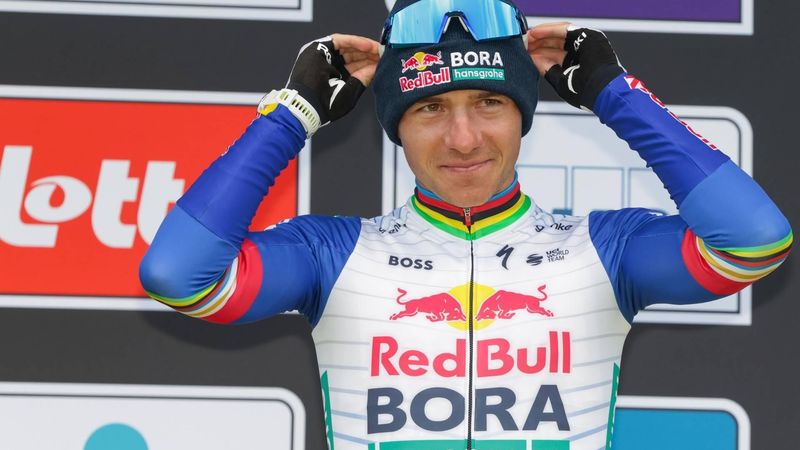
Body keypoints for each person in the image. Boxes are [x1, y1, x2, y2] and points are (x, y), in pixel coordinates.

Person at [139, 0, 792, 448]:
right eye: (429, 109)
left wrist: (613, 92)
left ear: (522, 117)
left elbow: (755, 241)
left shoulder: (603, 249)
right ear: (396, 127)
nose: (463, 137)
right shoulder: (331, 252)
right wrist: (292, 114)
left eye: (489, 102)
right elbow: (179, 276)